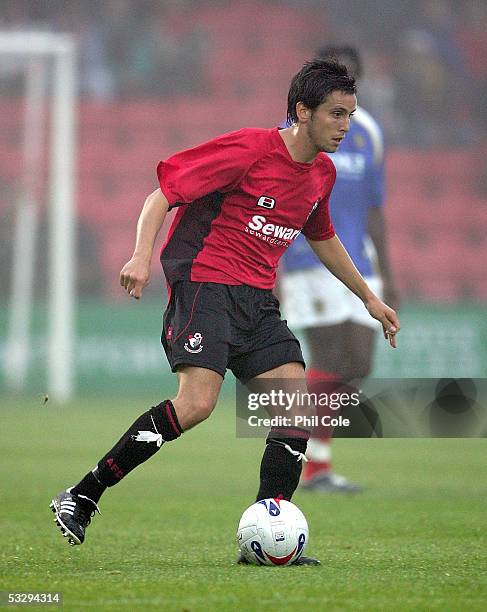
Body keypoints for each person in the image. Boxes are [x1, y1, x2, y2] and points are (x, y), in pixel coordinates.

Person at [49, 58, 400, 566]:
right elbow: (161, 195)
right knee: (195, 406)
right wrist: (141, 257)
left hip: (257, 301)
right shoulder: (250, 149)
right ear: (302, 111)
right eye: (336, 114)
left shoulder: (320, 173)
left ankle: (268, 530)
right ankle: (83, 494)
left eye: (350, 114)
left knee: (296, 408)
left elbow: (321, 236)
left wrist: (368, 297)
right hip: (206, 286)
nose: (345, 126)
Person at [280, 46, 399, 493]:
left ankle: (307, 451)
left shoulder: (368, 133)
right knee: (330, 357)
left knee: (358, 363)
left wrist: (389, 276)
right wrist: (274, 270)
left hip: (360, 264)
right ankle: (312, 465)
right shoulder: (297, 131)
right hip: (306, 259)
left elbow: (375, 208)